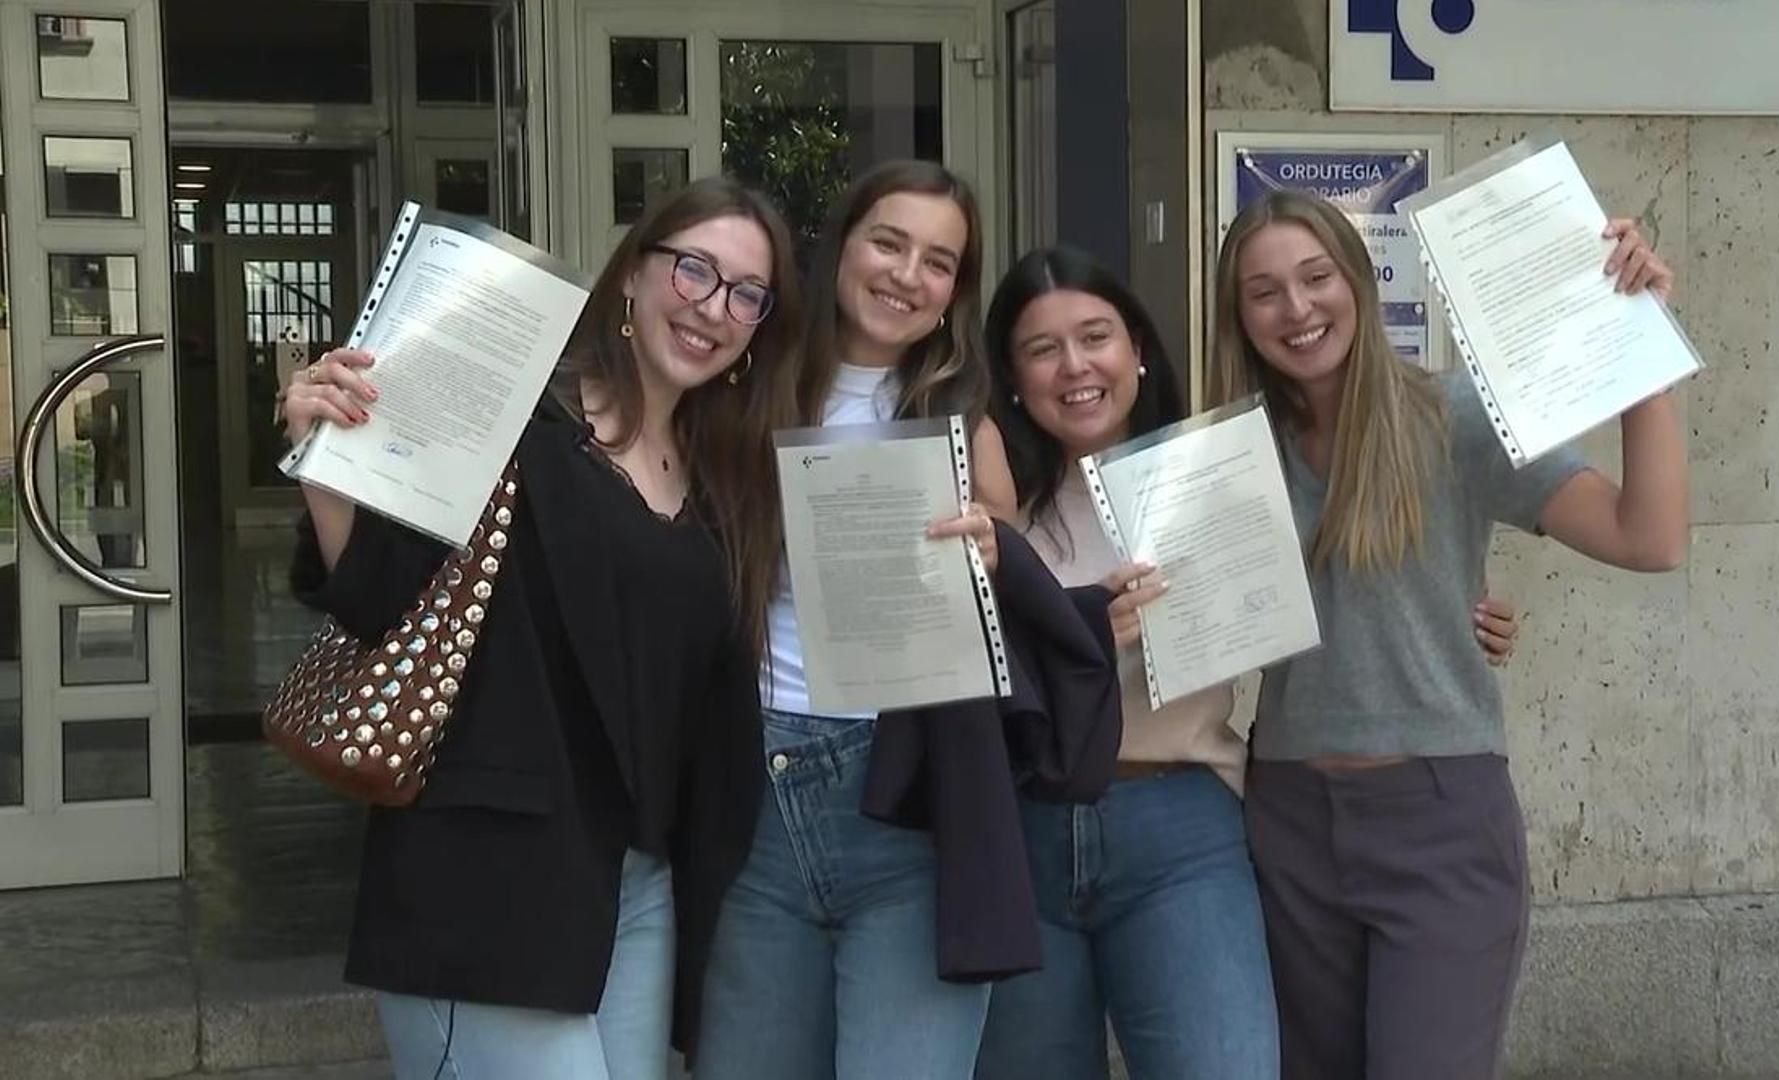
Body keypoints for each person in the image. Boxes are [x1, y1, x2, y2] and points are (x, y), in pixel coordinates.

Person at [282, 176, 802, 1080]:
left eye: (745, 294)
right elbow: (374, 595)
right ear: (633, 277)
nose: (713, 308)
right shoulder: (518, 418)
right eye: (694, 271)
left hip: (636, 888)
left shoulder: (728, 486)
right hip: (491, 878)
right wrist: (324, 460)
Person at [971, 245, 1524, 1080]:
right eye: (1042, 349)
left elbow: (1350, 574)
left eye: (1096, 337)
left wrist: (1468, 611)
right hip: (1027, 825)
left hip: (1181, 819)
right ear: (1011, 377)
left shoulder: (1219, 474)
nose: (1075, 366)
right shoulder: (994, 503)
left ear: (1139, 350)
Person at [1211, 189, 1686, 1079]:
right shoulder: (1233, 456)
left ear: (1358, 280)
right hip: (1285, 821)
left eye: (1317, 277)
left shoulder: (1453, 416)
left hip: (1438, 818)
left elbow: (1648, 537)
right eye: (1264, 290)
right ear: (1237, 315)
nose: (1297, 308)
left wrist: (1641, 356)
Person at [692, 160, 1095, 1080]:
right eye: (889, 241)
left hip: (911, 793)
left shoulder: (964, 421)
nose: (907, 274)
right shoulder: (743, 391)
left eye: (939, 261)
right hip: (755, 779)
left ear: (956, 290)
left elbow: (1020, 625)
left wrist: (997, 558)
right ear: (841, 245)